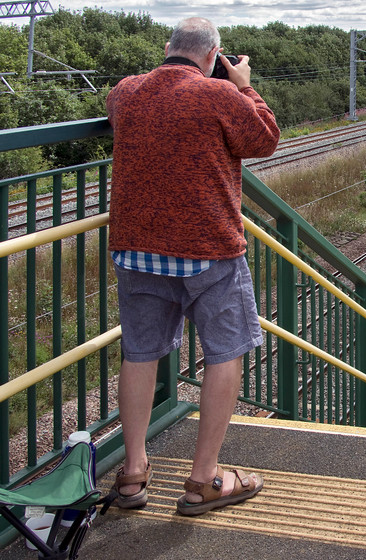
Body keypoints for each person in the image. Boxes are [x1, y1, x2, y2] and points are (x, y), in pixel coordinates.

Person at [106, 17, 280, 516]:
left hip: (137, 250)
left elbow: (131, 112)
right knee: (224, 352)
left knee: (139, 353)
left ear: (167, 50)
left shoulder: (125, 93)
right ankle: (203, 479)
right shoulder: (220, 96)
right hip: (209, 251)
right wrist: (245, 88)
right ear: (214, 56)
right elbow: (263, 139)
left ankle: (133, 474)